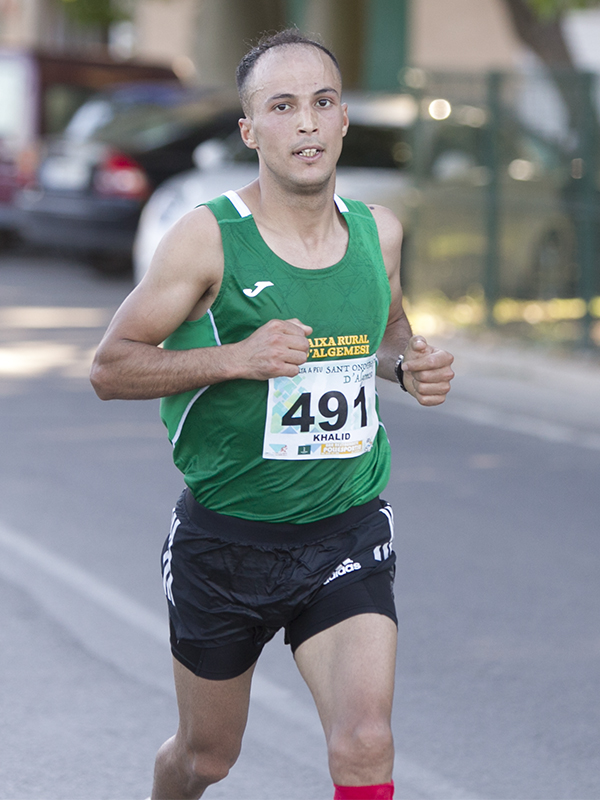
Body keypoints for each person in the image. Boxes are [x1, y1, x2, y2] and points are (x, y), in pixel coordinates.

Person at [91, 28, 454, 800]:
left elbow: (387, 333)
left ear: (344, 118)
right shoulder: (207, 239)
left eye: (323, 102)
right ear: (251, 131)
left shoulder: (377, 232)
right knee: (204, 758)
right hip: (226, 543)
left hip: (344, 528)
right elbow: (110, 366)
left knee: (365, 742)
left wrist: (405, 366)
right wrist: (234, 358)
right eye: (283, 107)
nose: (308, 124)